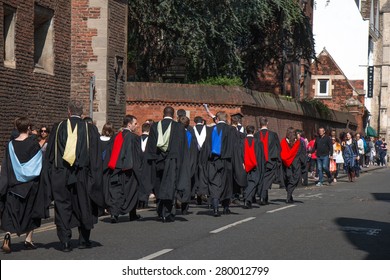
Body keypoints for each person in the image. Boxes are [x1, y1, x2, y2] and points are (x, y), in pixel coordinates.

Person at [44, 100, 104, 252]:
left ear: (68, 111)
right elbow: (95, 158)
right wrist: (94, 179)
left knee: (62, 206)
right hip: (82, 174)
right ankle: (84, 240)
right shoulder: (90, 129)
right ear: (82, 112)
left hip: (60, 173)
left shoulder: (58, 128)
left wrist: (49, 176)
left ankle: (65, 241)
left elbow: (49, 154)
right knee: (84, 205)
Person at [0, 117, 47, 253]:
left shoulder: (10, 145)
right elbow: (39, 165)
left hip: (13, 185)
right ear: (28, 128)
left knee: (11, 212)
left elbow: (7, 166)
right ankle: (28, 239)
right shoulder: (34, 144)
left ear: (16, 128)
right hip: (30, 185)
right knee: (30, 212)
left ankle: (8, 235)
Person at [144, 106, 186, 222]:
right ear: (173, 115)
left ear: (163, 114)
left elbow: (151, 147)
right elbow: (182, 147)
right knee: (169, 187)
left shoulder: (155, 126)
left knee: (158, 186)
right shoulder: (179, 127)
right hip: (172, 161)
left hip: (158, 161)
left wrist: (153, 160)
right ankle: (167, 213)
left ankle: (159, 210)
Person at [103, 115, 142, 223]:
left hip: (115, 169)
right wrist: (139, 171)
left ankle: (114, 214)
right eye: (135, 123)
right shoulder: (134, 138)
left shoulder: (116, 136)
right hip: (129, 170)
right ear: (129, 124)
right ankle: (132, 214)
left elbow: (109, 154)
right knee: (131, 192)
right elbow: (137, 157)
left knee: (116, 192)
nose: (137, 125)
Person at [205, 111, 239, 216]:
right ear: (226, 120)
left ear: (217, 119)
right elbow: (236, 147)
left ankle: (215, 208)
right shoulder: (232, 130)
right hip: (227, 161)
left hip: (213, 161)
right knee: (226, 184)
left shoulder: (210, 130)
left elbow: (206, 147)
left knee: (215, 183)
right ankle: (225, 207)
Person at [254, 117, 281, 205]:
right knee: (267, 178)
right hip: (270, 160)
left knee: (261, 177)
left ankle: (263, 196)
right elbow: (278, 148)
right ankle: (263, 196)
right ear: (267, 123)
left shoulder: (256, 135)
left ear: (260, 123)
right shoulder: (273, 135)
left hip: (259, 160)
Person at [177, 116, 198, 215]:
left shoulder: (174, 135)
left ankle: (176, 200)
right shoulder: (190, 135)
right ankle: (184, 208)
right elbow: (194, 152)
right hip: (187, 164)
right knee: (186, 185)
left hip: (176, 163)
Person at [280, 127, 307, 203]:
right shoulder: (298, 142)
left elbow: (281, 152)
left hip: (286, 164)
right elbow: (301, 153)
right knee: (295, 179)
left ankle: (290, 195)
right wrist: (303, 163)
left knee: (288, 179)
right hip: (295, 164)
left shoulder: (283, 142)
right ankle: (289, 195)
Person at [242, 125, 265, 209]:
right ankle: (247, 198)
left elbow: (239, 154)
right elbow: (261, 156)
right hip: (256, 166)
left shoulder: (241, 142)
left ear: (246, 131)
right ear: (254, 131)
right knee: (253, 182)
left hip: (244, 166)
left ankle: (248, 199)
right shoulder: (258, 142)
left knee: (248, 182)